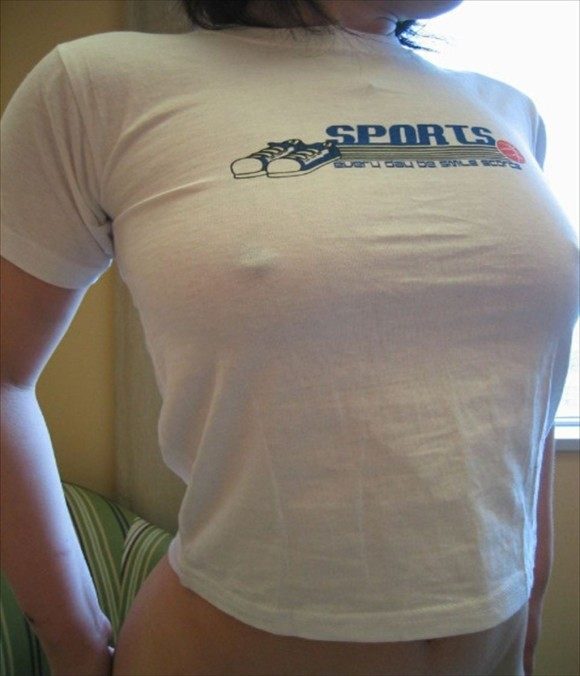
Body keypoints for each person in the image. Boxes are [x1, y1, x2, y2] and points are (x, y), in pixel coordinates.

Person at [1, 0, 578, 674]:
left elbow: (526, 390)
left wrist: (533, 588)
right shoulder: (99, 85)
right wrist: (72, 642)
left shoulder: (508, 109)